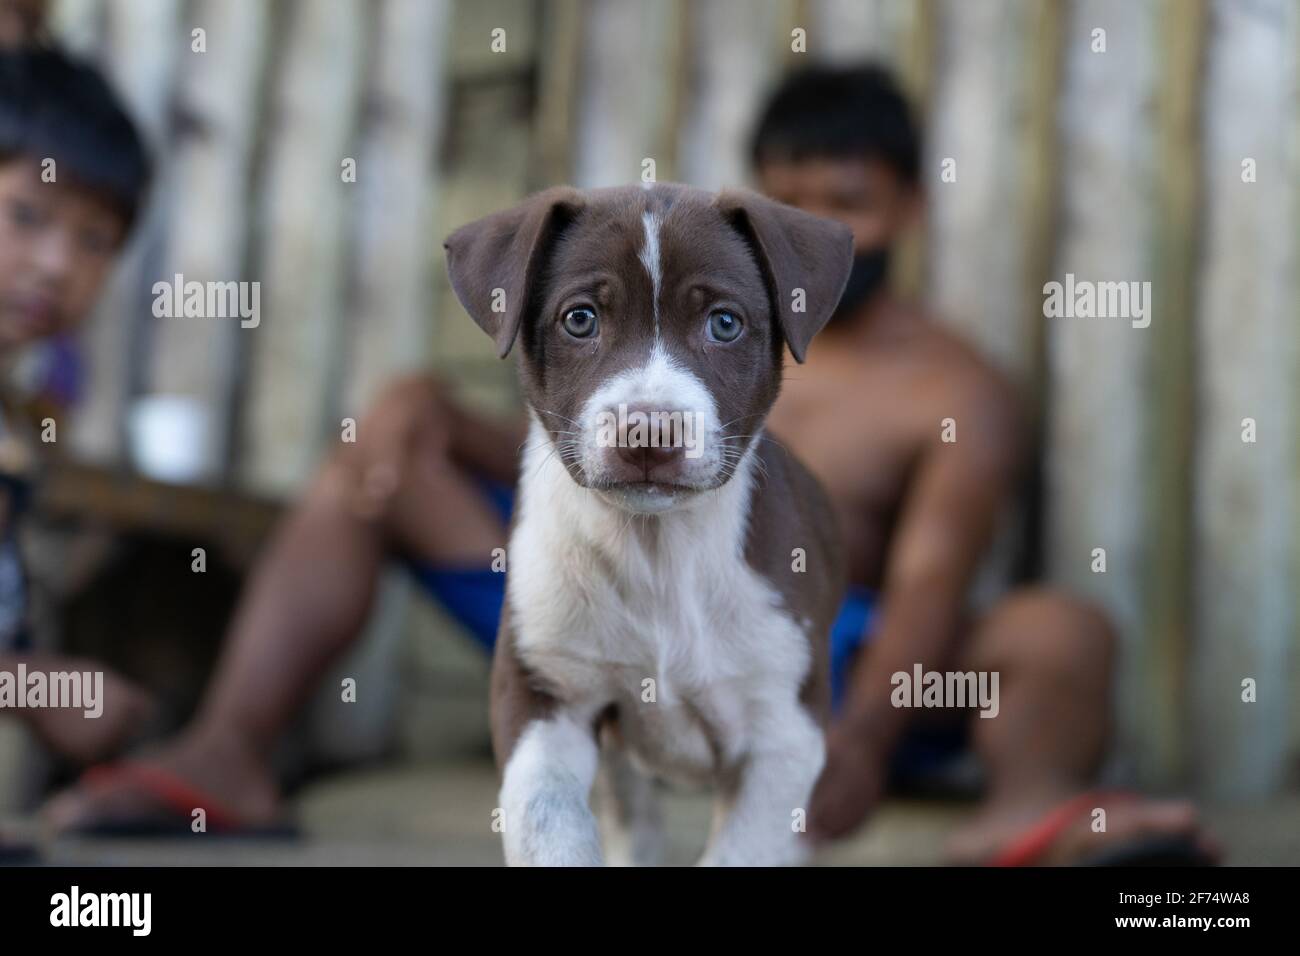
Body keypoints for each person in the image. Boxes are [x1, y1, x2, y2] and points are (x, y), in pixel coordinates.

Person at [47, 64, 1214, 865]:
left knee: (1061, 625)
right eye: (784, 190)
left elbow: (924, 584)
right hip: (603, 583)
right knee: (383, 444)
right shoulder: (671, 281)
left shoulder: (952, 387)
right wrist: (419, 413)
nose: (804, 216)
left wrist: (846, 742)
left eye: (839, 202)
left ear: (900, 208)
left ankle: (1018, 810)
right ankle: (230, 747)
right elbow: (563, 416)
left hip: (826, 634)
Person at [0, 43, 155, 767]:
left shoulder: (20, 411)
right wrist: (30, 689)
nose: (58, 264)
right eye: (27, 215)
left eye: (94, 240)